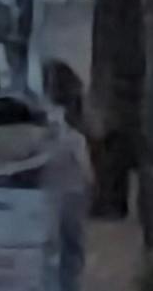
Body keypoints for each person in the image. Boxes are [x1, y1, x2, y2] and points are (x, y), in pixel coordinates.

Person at [41, 62, 96, 291]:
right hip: (71, 192)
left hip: (48, 192)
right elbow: (87, 173)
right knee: (70, 249)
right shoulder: (74, 135)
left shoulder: (47, 126)